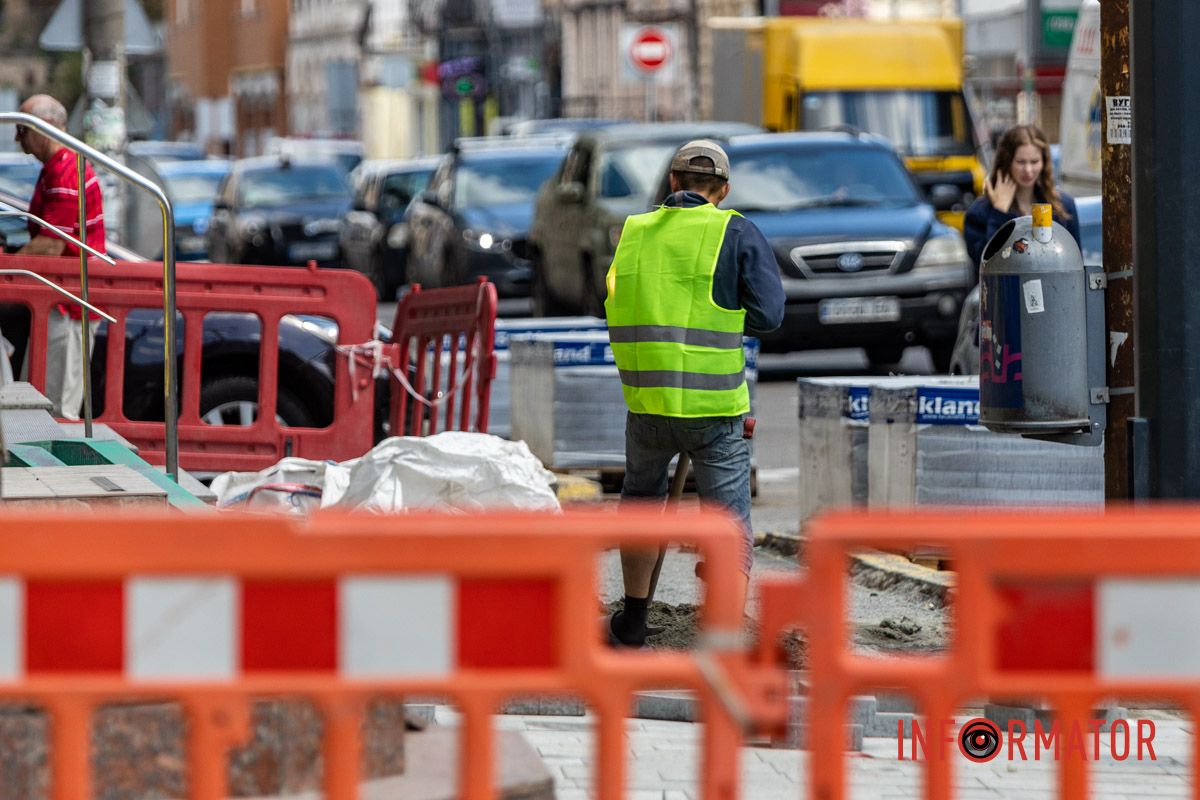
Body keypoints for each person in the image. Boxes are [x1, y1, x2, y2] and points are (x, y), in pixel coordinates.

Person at [604, 140, 785, 647]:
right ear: (722, 191)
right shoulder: (735, 231)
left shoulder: (633, 232)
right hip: (714, 410)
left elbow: (614, 302)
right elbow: (770, 316)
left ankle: (632, 623)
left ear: (672, 184)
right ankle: (722, 637)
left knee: (641, 502)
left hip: (648, 405)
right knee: (727, 522)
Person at [14, 94, 107, 419]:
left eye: (23, 129)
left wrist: (10, 264)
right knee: (41, 398)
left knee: (54, 405)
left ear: (46, 127)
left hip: (69, 302)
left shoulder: (67, 172)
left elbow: (52, 244)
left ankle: (51, 468)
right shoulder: (60, 167)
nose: (17, 138)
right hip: (62, 296)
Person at [964, 124, 1080, 269]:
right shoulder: (980, 212)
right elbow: (983, 263)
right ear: (1007, 161)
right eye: (1021, 162)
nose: (1028, 170)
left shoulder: (1063, 205)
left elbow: (1075, 263)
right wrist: (1000, 212)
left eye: (1034, 162)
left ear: (1044, 162)